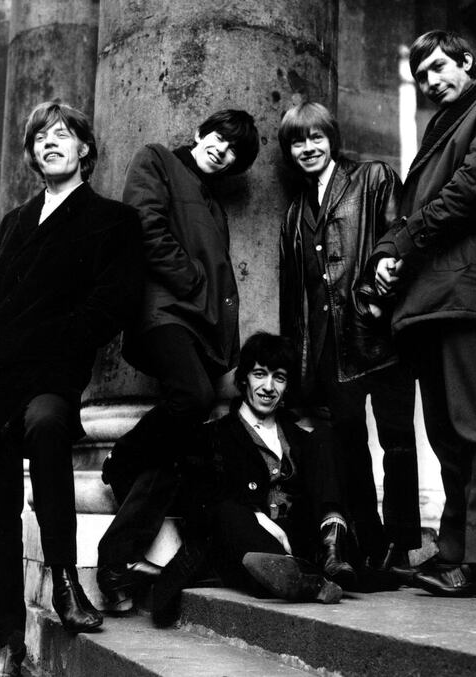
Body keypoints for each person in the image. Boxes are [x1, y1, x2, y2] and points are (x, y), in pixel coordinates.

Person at [0, 101, 142, 676]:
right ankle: (8, 640)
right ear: (32, 155)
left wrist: (47, 342)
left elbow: (112, 304)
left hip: (51, 372)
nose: (49, 143)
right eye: (39, 138)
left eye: (62, 134)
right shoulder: (13, 222)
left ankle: (66, 586)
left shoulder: (112, 221)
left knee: (49, 424)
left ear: (84, 149)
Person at [370, 30, 476, 598]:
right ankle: (455, 552)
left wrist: (405, 243)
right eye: (421, 76)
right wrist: (388, 254)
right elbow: (412, 213)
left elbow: (474, 190)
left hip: (467, 291)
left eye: (440, 67)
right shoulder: (441, 129)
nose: (431, 82)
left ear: (468, 60)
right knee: (447, 433)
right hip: (434, 299)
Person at [97, 110, 260, 612]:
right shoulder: (158, 160)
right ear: (199, 132)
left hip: (199, 327)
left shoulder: (213, 203)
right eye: (219, 137)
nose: (221, 149)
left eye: (233, 150)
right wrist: (190, 280)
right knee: (193, 398)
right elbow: (144, 224)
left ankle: (117, 557)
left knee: (181, 440)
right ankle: (121, 458)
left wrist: (223, 340)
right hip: (163, 309)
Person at [278, 102, 421, 580]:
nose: (307, 149)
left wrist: (373, 297)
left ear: (332, 139)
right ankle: (369, 542)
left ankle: (401, 546)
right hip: (327, 352)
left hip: (379, 337)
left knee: (397, 441)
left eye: (315, 138)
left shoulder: (374, 177)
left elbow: (401, 238)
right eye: (297, 142)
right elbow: (294, 297)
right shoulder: (295, 212)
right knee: (350, 447)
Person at [162, 332, 356, 613]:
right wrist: (257, 516)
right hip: (247, 537)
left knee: (325, 437)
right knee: (226, 513)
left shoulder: (302, 439)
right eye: (259, 374)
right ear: (244, 380)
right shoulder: (215, 435)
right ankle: (299, 577)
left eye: (279, 377)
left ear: (287, 386)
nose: (268, 387)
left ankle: (329, 549)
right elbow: (201, 500)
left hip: (301, 539)